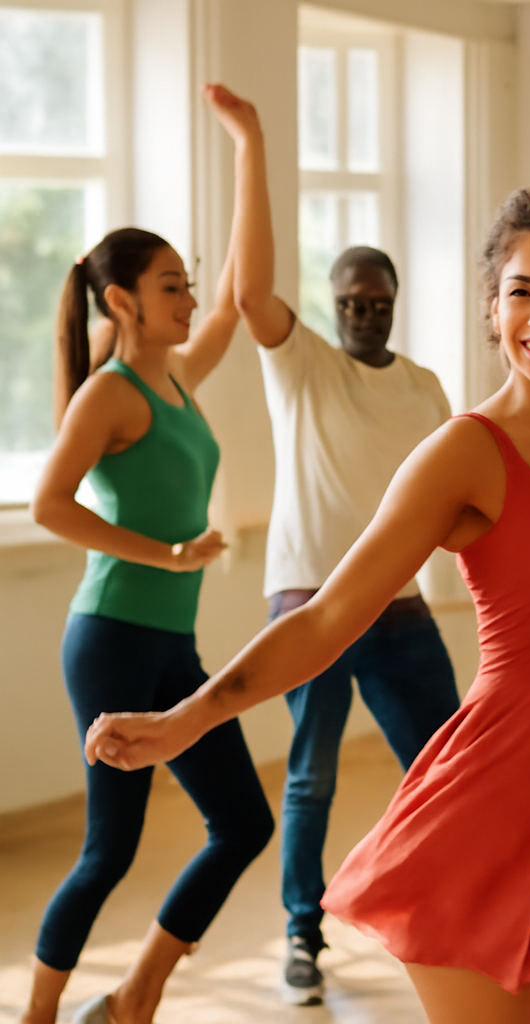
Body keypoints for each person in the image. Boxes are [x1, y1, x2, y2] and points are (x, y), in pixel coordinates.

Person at [83, 118, 530, 1024]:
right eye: (518, 293)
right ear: (493, 311)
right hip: (489, 809)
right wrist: (189, 717)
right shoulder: (466, 454)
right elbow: (331, 616)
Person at [202, 84, 462, 1006]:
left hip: (398, 610)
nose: (362, 311)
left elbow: (460, 505)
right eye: (348, 299)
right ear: (332, 305)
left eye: (375, 299)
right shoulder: (301, 364)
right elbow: (248, 290)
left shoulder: (426, 388)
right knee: (308, 778)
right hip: (308, 606)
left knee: (446, 761)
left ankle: (444, 906)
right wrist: (252, 145)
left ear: (393, 303)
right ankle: (303, 934)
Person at [22, 91, 273, 1024]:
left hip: (171, 646)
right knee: (109, 851)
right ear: (123, 299)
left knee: (243, 822)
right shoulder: (112, 393)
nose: (191, 297)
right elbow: (49, 505)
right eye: (172, 285)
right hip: (114, 640)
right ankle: (37, 1016)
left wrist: (250, 148)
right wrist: (168, 555)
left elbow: (245, 289)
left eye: (187, 282)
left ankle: (137, 997)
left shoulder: (175, 376)